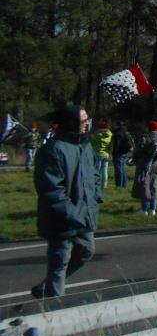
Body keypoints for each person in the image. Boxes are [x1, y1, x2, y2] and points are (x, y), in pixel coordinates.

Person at [30, 105, 100, 299]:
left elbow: (93, 175)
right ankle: (54, 309)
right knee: (59, 260)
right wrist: (72, 213)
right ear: (71, 124)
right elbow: (51, 189)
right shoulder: (53, 150)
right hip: (60, 219)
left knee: (86, 251)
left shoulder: (85, 145)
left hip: (83, 214)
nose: (87, 125)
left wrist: (95, 197)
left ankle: (46, 287)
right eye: (84, 121)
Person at [134, 120, 157, 215]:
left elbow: (137, 150)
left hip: (144, 164)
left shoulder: (145, 137)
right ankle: (153, 209)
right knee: (155, 185)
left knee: (144, 186)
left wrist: (135, 159)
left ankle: (144, 209)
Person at [90, 119, 112, 189]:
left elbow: (92, 142)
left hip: (98, 154)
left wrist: (95, 133)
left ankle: (95, 182)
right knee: (104, 171)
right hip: (106, 154)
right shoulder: (110, 134)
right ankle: (104, 184)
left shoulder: (98, 135)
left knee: (96, 170)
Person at [111, 121, 132, 188]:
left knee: (118, 170)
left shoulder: (118, 134)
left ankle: (119, 185)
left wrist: (114, 153)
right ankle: (124, 184)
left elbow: (116, 145)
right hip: (125, 152)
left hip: (118, 153)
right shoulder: (126, 132)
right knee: (123, 169)